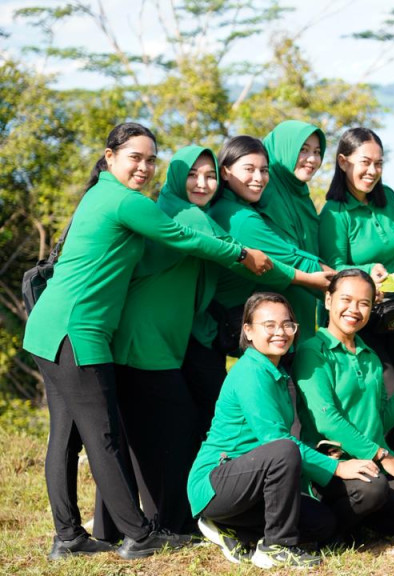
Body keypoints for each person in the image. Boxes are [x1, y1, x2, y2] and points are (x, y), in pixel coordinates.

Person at [22, 123, 270, 560]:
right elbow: (181, 237)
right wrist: (240, 253)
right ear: (110, 155)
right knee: (103, 435)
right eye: (135, 157)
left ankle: (68, 536)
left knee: (67, 436)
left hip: (50, 327)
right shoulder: (124, 201)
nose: (144, 167)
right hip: (78, 331)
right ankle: (139, 535)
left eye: (151, 159)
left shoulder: (100, 195)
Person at [93, 146, 334, 544]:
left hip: (169, 339)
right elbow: (244, 258)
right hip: (146, 339)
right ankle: (171, 522)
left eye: (209, 177)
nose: (202, 184)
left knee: (141, 431)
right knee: (168, 430)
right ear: (176, 178)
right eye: (193, 175)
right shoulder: (185, 214)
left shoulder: (187, 210)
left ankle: (134, 525)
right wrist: (309, 278)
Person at [188, 292, 378, 568]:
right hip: (216, 484)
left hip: (253, 486)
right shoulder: (251, 373)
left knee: (322, 523)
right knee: (283, 447)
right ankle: (275, 547)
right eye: (270, 325)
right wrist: (336, 469)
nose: (281, 332)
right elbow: (277, 443)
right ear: (248, 331)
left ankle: (233, 530)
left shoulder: (276, 372)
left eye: (288, 324)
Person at [294, 270, 394, 540]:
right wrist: (382, 455)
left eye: (364, 303)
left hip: (374, 466)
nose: (354, 310)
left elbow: (382, 418)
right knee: (373, 489)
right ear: (328, 300)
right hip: (335, 467)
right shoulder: (313, 352)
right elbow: (326, 420)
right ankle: (328, 529)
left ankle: (363, 520)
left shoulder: (369, 356)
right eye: (346, 299)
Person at [190, 136, 333, 433]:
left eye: (264, 170)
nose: (259, 178)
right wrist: (351, 285)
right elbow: (291, 260)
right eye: (249, 169)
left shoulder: (241, 208)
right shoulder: (238, 217)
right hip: (229, 331)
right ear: (225, 171)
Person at [318, 127, 394, 457]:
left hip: (388, 316)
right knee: (360, 398)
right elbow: (333, 266)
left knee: (391, 395)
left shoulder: (390, 200)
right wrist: (370, 272)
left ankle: (392, 467)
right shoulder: (334, 213)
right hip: (354, 318)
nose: (372, 171)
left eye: (379, 164)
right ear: (343, 162)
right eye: (365, 162)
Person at [257, 120, 328, 343]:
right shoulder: (265, 193)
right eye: (303, 150)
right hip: (274, 316)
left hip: (304, 307)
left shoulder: (300, 195)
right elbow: (287, 254)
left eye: (317, 152)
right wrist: (348, 286)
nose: (313, 159)